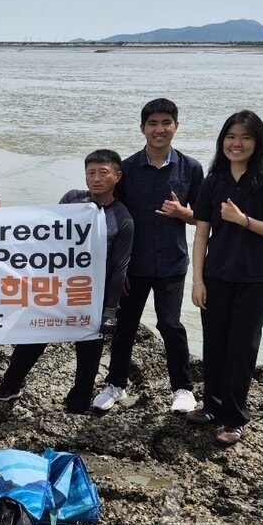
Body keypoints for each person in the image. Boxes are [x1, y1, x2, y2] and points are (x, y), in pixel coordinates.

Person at [0, 150, 134, 409]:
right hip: (56, 288)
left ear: (117, 176)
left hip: (91, 295)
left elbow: (119, 268)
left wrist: (110, 310)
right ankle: (9, 386)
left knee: (89, 348)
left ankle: (79, 399)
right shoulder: (73, 199)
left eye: (103, 173)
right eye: (91, 172)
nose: (96, 178)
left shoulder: (122, 219)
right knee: (35, 335)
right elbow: (48, 235)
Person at [93, 98, 205, 414]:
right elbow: (111, 218)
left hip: (172, 263)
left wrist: (184, 212)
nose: (159, 129)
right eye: (152, 124)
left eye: (165, 123)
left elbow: (204, 217)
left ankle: (182, 389)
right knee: (124, 325)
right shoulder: (126, 169)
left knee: (170, 325)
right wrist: (118, 268)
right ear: (142, 128)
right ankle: (115, 384)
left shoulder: (191, 168)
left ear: (176, 127)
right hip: (134, 266)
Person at [188, 110, 263, 445]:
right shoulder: (213, 181)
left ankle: (233, 419)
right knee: (214, 344)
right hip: (216, 275)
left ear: (257, 142)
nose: (237, 143)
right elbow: (201, 234)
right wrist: (197, 281)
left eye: (245, 138)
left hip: (255, 278)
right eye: (231, 137)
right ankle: (211, 407)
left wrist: (242, 219)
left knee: (242, 348)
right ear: (222, 141)